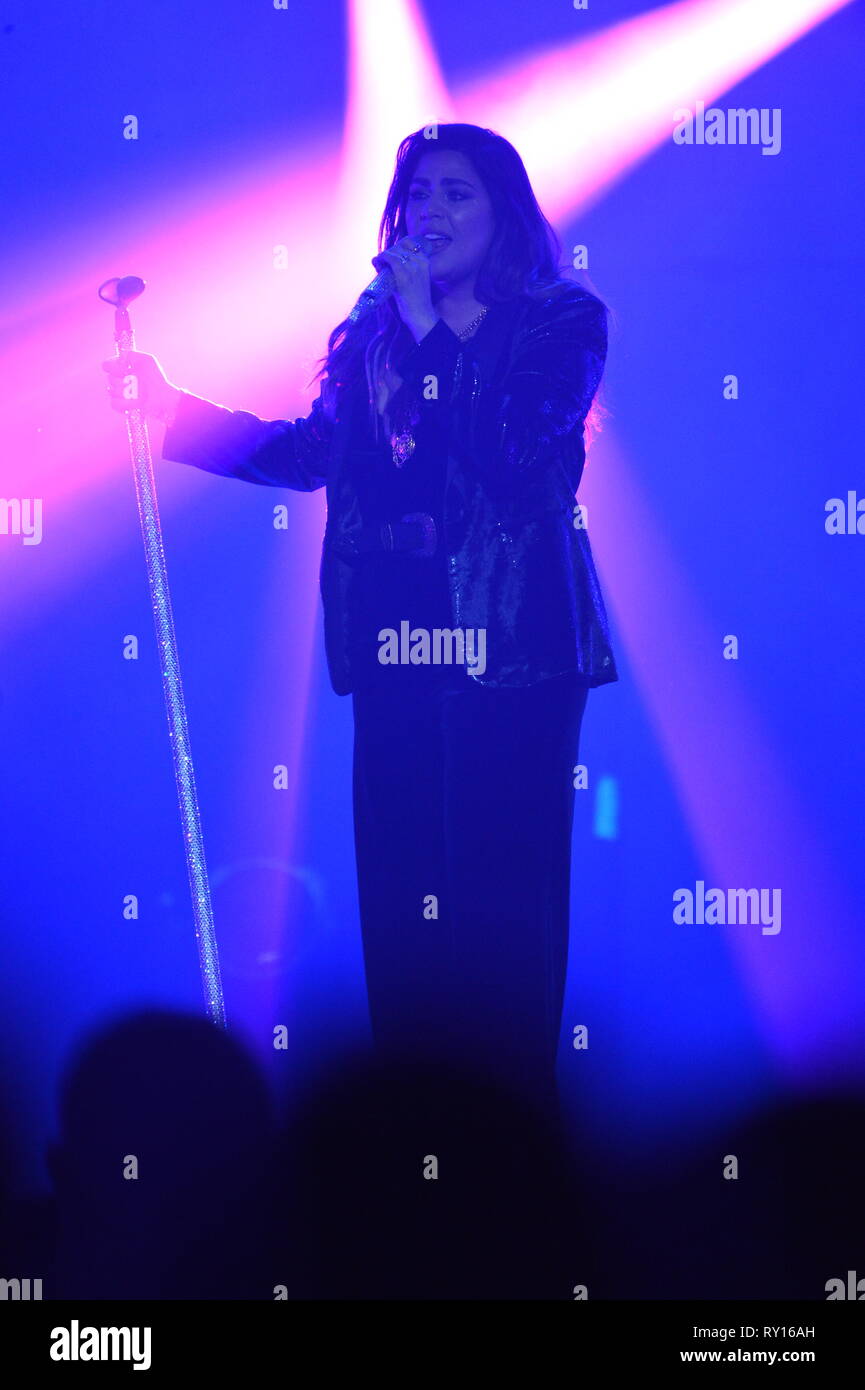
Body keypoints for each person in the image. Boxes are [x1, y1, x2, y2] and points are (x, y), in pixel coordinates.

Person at [103, 123, 618, 1107]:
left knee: (498, 904)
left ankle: (506, 1144)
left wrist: (425, 324)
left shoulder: (559, 321)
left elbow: (509, 446)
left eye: (457, 194)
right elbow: (314, 453)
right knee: (405, 905)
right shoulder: (376, 334)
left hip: (508, 653)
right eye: (418, 194)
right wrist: (172, 413)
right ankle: (410, 1136)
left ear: (505, 213)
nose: (430, 212)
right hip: (394, 649)